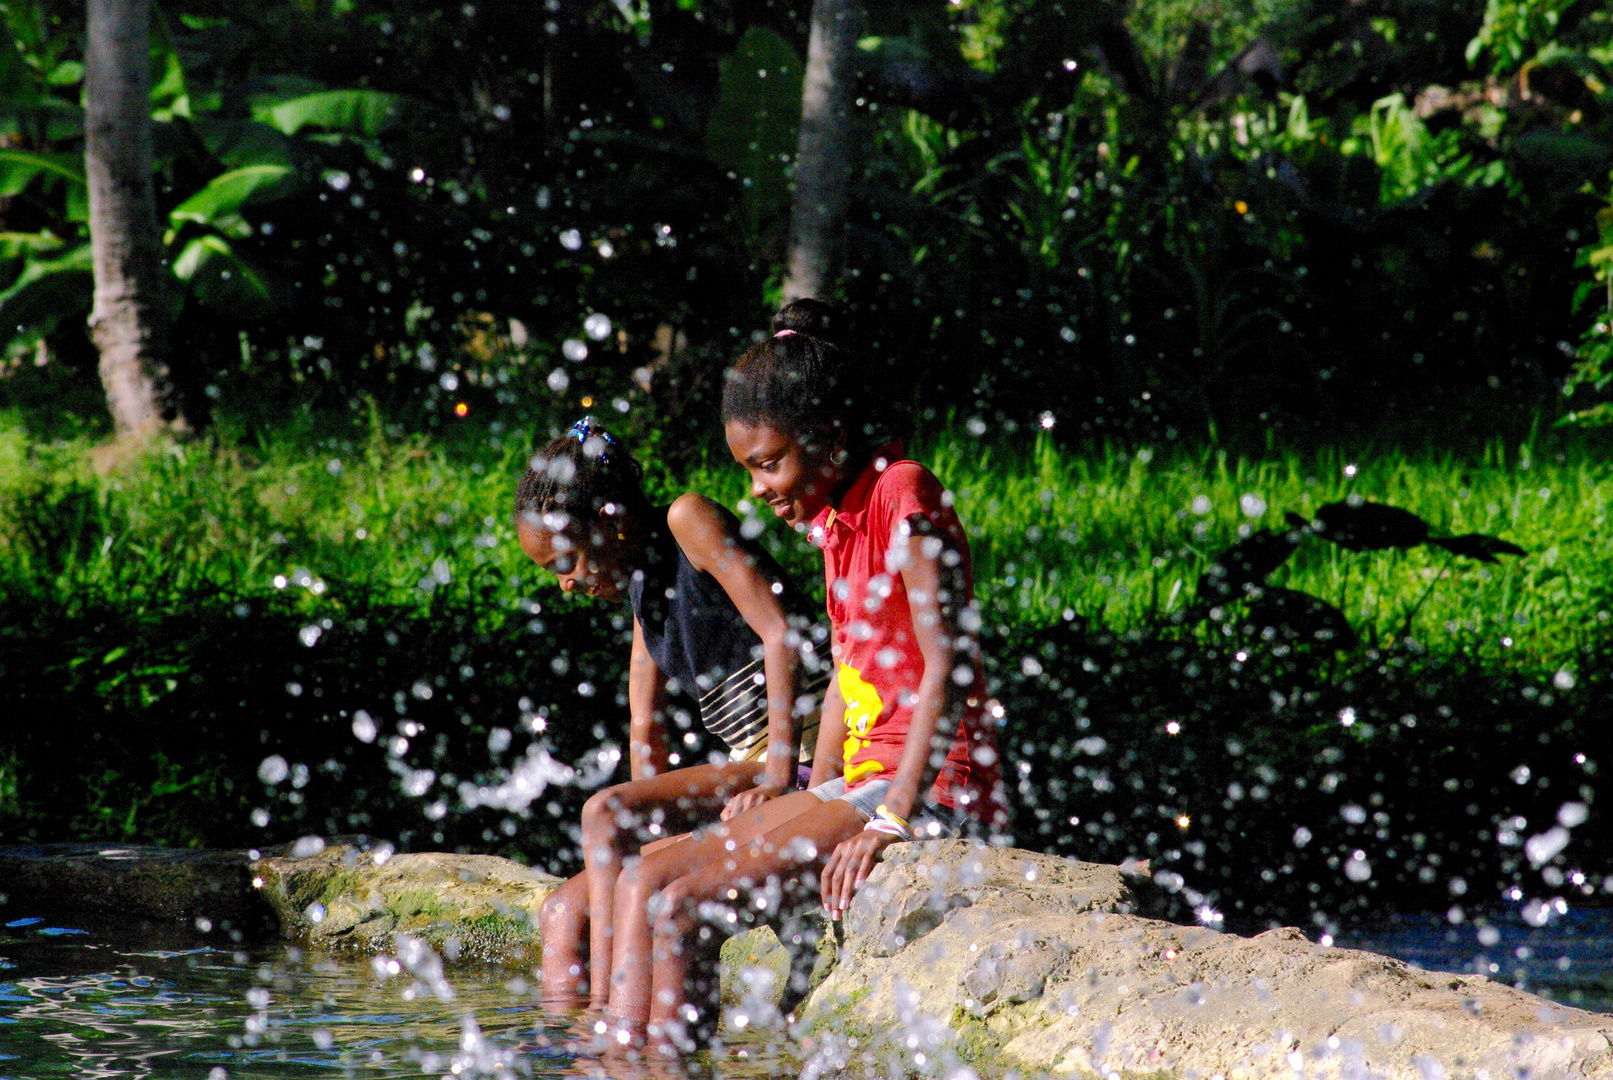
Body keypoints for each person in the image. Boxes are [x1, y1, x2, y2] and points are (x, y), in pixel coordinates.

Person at [606, 300, 1007, 1049]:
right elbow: (851, 674)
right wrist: (803, 789)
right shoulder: (835, 517)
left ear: (829, 437)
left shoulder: (901, 493)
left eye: (768, 463)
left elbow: (947, 670)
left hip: (930, 791)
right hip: (859, 783)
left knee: (683, 904)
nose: (756, 488)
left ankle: (659, 1068)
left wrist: (892, 817)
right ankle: (615, 1056)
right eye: (746, 469)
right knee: (644, 880)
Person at [515, 417, 831, 1006]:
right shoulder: (641, 587)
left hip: (811, 753)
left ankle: (610, 1024)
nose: (565, 584)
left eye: (565, 563)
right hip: (753, 764)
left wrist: (776, 779)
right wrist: (655, 834)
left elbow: (779, 634)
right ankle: (577, 1038)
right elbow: (645, 727)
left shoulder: (688, 521)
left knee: (604, 812)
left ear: (609, 520)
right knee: (562, 909)